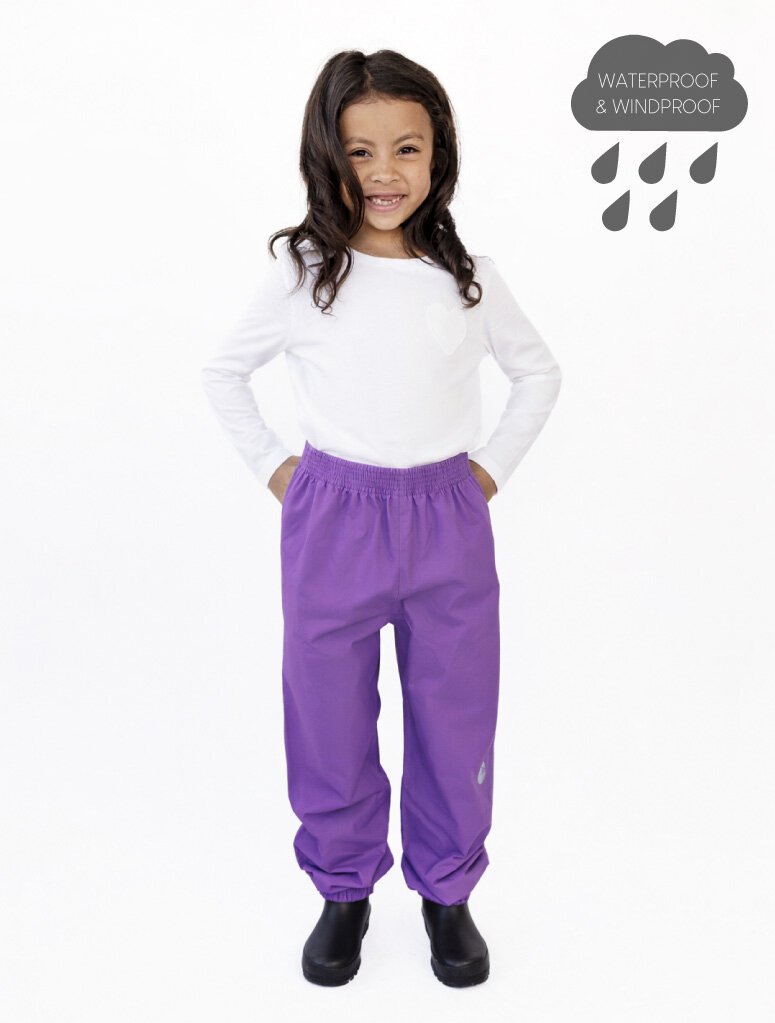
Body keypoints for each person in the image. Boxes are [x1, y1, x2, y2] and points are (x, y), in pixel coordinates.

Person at [201, 48, 562, 988]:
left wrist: (484, 474)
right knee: (327, 714)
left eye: (407, 148)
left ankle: (446, 889)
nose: (385, 172)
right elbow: (223, 372)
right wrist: (280, 471)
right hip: (333, 519)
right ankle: (343, 889)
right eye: (360, 152)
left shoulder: (467, 278)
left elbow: (537, 373)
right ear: (327, 157)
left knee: (455, 712)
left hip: (447, 519)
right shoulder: (304, 273)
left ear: (439, 154)